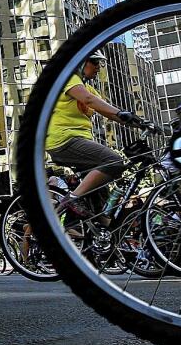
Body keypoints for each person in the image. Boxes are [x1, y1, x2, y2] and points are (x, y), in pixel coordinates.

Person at [43, 51, 142, 219]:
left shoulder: (88, 88)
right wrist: (121, 113)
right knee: (113, 161)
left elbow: (109, 112)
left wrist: (140, 123)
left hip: (79, 143)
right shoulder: (68, 80)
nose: (98, 67)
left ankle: (95, 236)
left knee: (102, 208)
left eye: (99, 63)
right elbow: (88, 100)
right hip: (64, 140)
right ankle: (72, 200)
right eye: (94, 62)